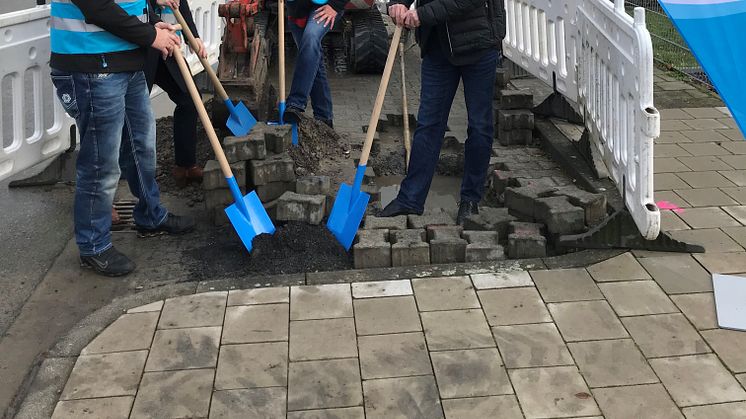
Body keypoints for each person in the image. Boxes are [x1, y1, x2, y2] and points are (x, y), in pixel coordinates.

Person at [50, 0, 195, 277]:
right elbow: (97, 7)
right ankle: (94, 245)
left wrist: (149, 26)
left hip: (123, 62)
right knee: (101, 163)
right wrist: (152, 36)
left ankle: (151, 215)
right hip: (92, 66)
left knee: (142, 147)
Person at [378, 0, 506, 225]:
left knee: (479, 126)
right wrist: (398, 3)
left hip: (478, 42)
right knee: (429, 124)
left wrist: (422, 14)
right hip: (438, 47)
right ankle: (411, 199)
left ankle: (470, 199)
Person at [146, 0, 207, 186]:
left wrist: (192, 36)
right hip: (141, 48)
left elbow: (179, 3)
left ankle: (185, 165)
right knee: (130, 115)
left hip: (167, 47)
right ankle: (111, 192)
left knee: (190, 100)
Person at [282, 0, 349, 128]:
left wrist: (335, 6)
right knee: (312, 62)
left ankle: (296, 103)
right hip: (297, 11)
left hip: (324, 6)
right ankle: (324, 119)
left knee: (311, 37)